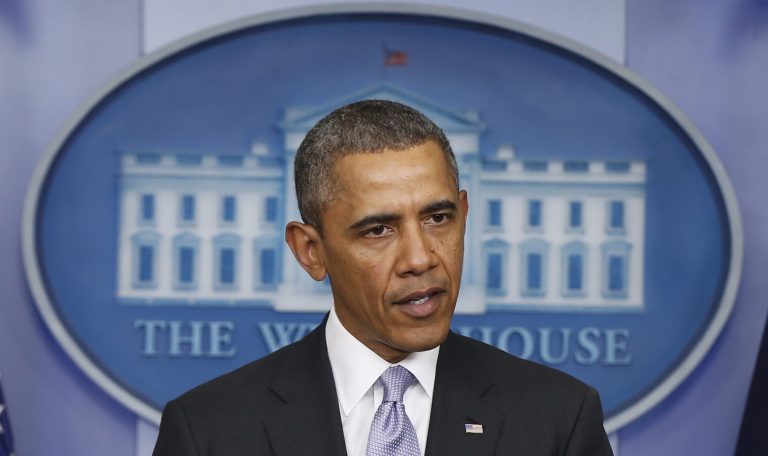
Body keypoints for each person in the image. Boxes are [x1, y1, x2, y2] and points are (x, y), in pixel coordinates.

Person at [153, 99, 613, 456]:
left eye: (438, 218)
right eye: (379, 229)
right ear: (310, 251)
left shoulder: (559, 419)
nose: (420, 258)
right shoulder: (208, 431)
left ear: (465, 216)